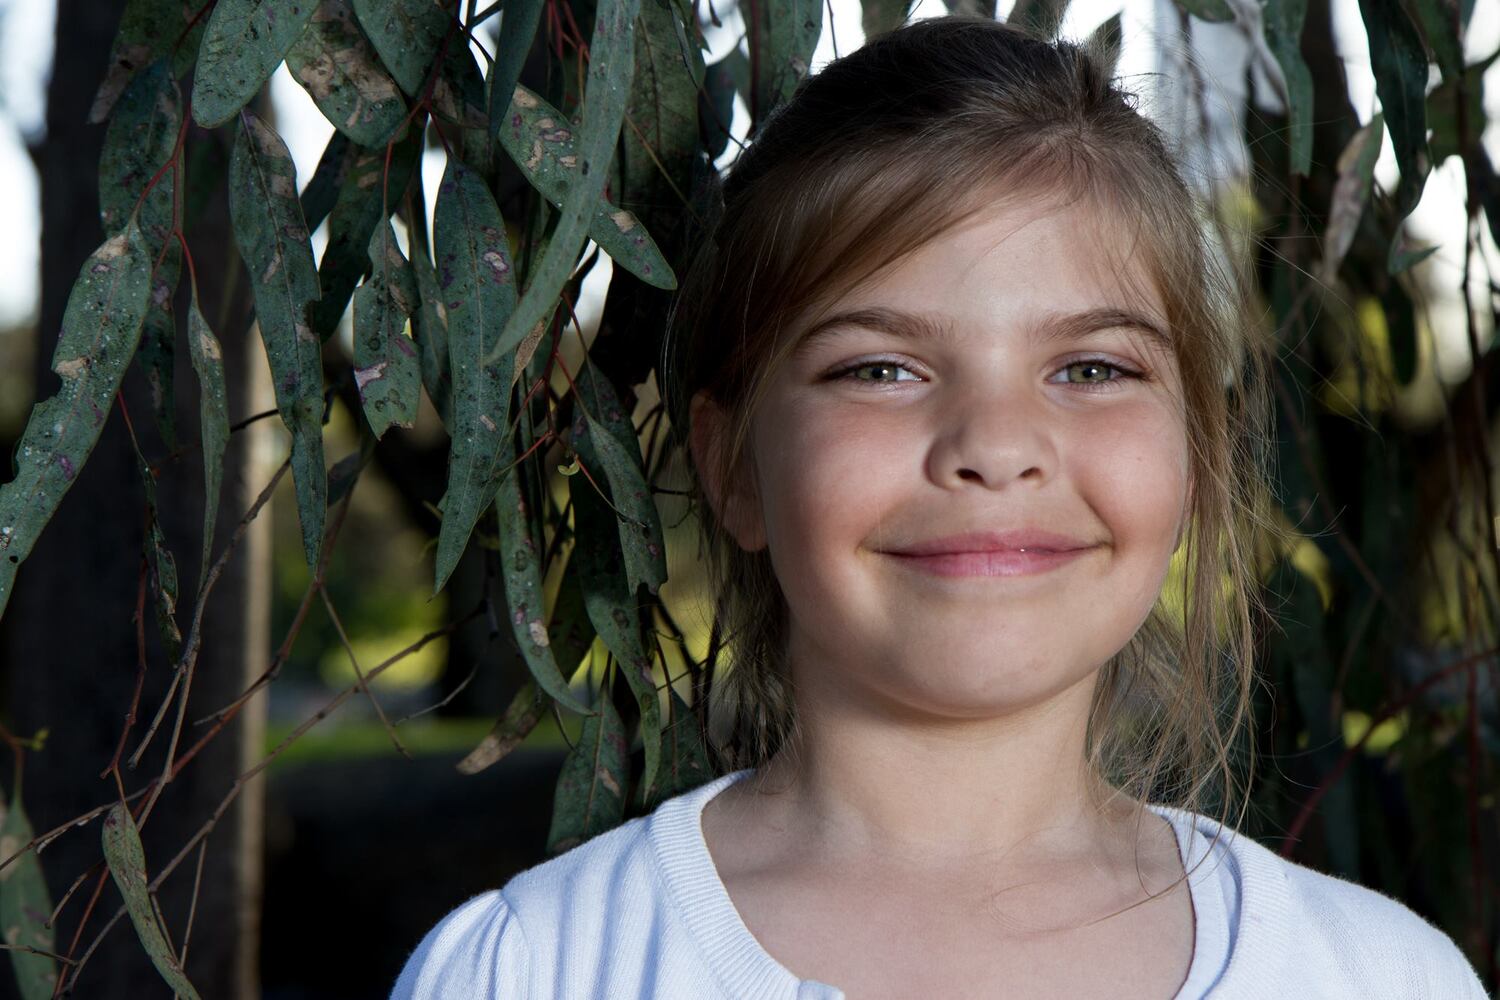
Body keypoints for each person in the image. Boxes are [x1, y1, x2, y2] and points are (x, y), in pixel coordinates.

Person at [390, 15, 1488, 999]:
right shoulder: (533, 971)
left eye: (1093, 368)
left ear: (1194, 457)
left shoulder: (1382, 978)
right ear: (735, 472)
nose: (996, 447)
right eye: (881, 369)